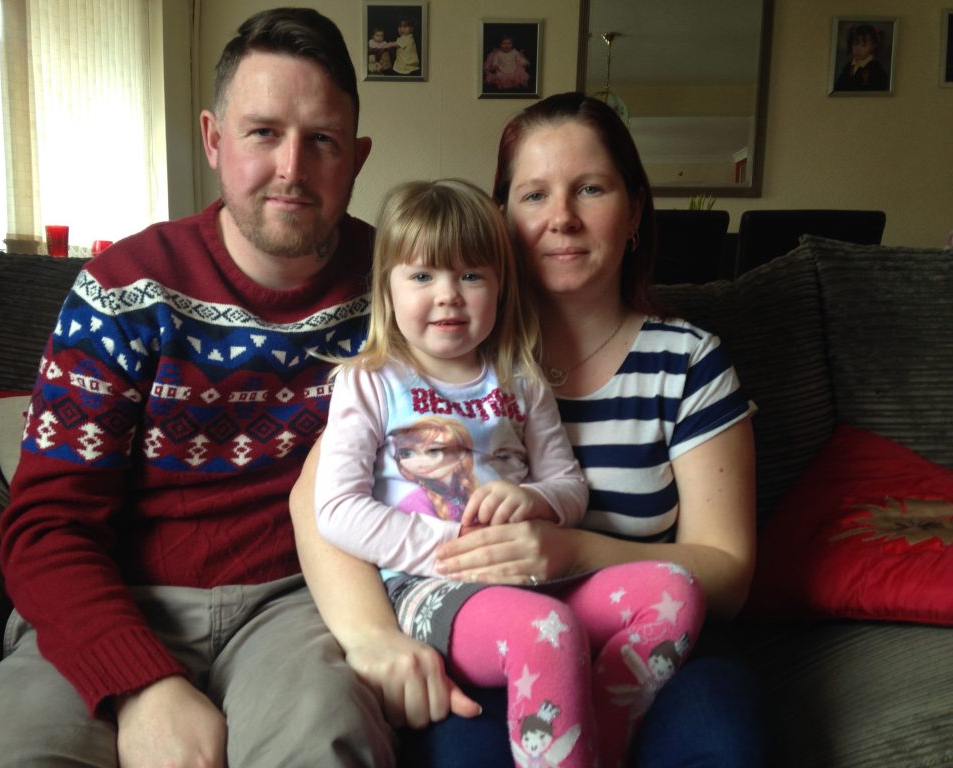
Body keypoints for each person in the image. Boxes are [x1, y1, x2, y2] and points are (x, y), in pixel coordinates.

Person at [0, 9, 393, 768]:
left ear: (357, 156)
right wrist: (141, 685)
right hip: (116, 595)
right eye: (263, 133)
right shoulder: (122, 290)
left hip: (298, 603)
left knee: (324, 742)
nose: (291, 168)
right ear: (213, 139)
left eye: (322, 140)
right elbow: (46, 526)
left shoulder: (401, 292)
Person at [291, 92, 763, 768]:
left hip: (619, 621)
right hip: (474, 609)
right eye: (534, 195)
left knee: (717, 744)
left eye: (591, 189)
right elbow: (321, 504)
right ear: (502, 219)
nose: (562, 218)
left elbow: (727, 573)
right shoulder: (424, 361)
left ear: (633, 212)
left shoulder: (682, 360)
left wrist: (565, 548)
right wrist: (374, 636)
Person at [833, 23, 889, 92]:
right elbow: (838, 87)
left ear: (873, 46)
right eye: (855, 44)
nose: (858, 49)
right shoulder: (848, 67)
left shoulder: (876, 69)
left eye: (863, 45)